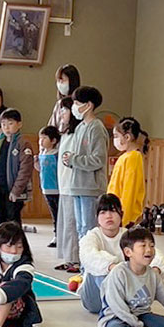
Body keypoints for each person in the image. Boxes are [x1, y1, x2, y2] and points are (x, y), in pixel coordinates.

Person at [79, 193, 164, 314]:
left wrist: (155, 270)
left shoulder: (129, 235)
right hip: (95, 299)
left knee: (143, 266)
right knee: (100, 270)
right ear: (97, 217)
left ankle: (126, 307)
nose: (109, 216)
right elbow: (88, 256)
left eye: (113, 211)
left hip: (125, 292)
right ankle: (120, 308)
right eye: (103, 212)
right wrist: (114, 268)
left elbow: (155, 254)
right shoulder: (92, 236)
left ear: (121, 214)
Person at [63, 85, 108, 239]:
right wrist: (69, 160)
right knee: (80, 229)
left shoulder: (96, 128)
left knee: (89, 230)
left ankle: (89, 263)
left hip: (91, 187)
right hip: (77, 185)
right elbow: (77, 156)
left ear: (88, 105)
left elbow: (98, 159)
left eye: (77, 103)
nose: (74, 107)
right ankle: (83, 262)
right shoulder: (81, 127)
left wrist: (73, 159)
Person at [0, 109, 35, 228]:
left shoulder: (23, 143)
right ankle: (1, 244)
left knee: (13, 218)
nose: (6, 127)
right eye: (3, 124)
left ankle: (15, 243)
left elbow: (25, 170)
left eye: (10, 123)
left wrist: (16, 190)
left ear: (19, 124)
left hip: (13, 189)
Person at [107, 117, 149, 226]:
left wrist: (123, 218)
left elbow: (129, 191)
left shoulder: (133, 158)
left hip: (123, 215)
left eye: (116, 136)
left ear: (127, 137)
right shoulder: (126, 156)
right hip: (116, 210)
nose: (114, 140)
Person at [54, 97, 80, 272]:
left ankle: (75, 260)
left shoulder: (79, 133)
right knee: (64, 222)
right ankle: (68, 257)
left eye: (65, 110)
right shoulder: (65, 134)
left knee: (72, 222)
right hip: (63, 184)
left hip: (73, 184)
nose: (62, 114)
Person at [35, 125, 61, 247]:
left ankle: (59, 235)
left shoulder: (57, 154)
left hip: (57, 189)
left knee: (58, 214)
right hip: (46, 189)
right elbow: (40, 170)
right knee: (53, 213)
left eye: (44, 138)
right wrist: (36, 162)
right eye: (40, 138)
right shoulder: (42, 153)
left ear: (53, 140)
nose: (41, 141)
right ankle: (56, 235)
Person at [47, 64, 80, 131]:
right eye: (58, 81)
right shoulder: (59, 103)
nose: (60, 84)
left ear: (72, 82)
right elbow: (52, 126)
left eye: (63, 81)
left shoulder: (79, 104)